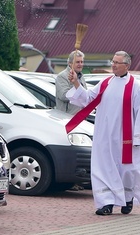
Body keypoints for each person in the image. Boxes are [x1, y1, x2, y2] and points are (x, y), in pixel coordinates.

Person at [65, 51, 140, 215]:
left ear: (127, 65)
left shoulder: (134, 86)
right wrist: (76, 82)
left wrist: (139, 138)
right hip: (104, 135)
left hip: (124, 137)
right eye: (113, 61)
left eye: (117, 62)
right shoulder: (105, 83)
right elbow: (88, 98)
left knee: (126, 170)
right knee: (103, 168)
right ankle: (106, 203)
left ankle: (127, 197)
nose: (113, 65)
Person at [55, 50, 87, 191]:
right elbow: (63, 95)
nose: (80, 64)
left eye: (81, 62)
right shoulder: (62, 77)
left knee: (80, 152)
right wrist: (75, 85)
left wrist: (78, 84)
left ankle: (78, 180)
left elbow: (85, 95)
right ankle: (68, 181)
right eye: (77, 62)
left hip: (82, 118)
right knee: (69, 151)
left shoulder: (81, 76)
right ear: (70, 63)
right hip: (67, 118)